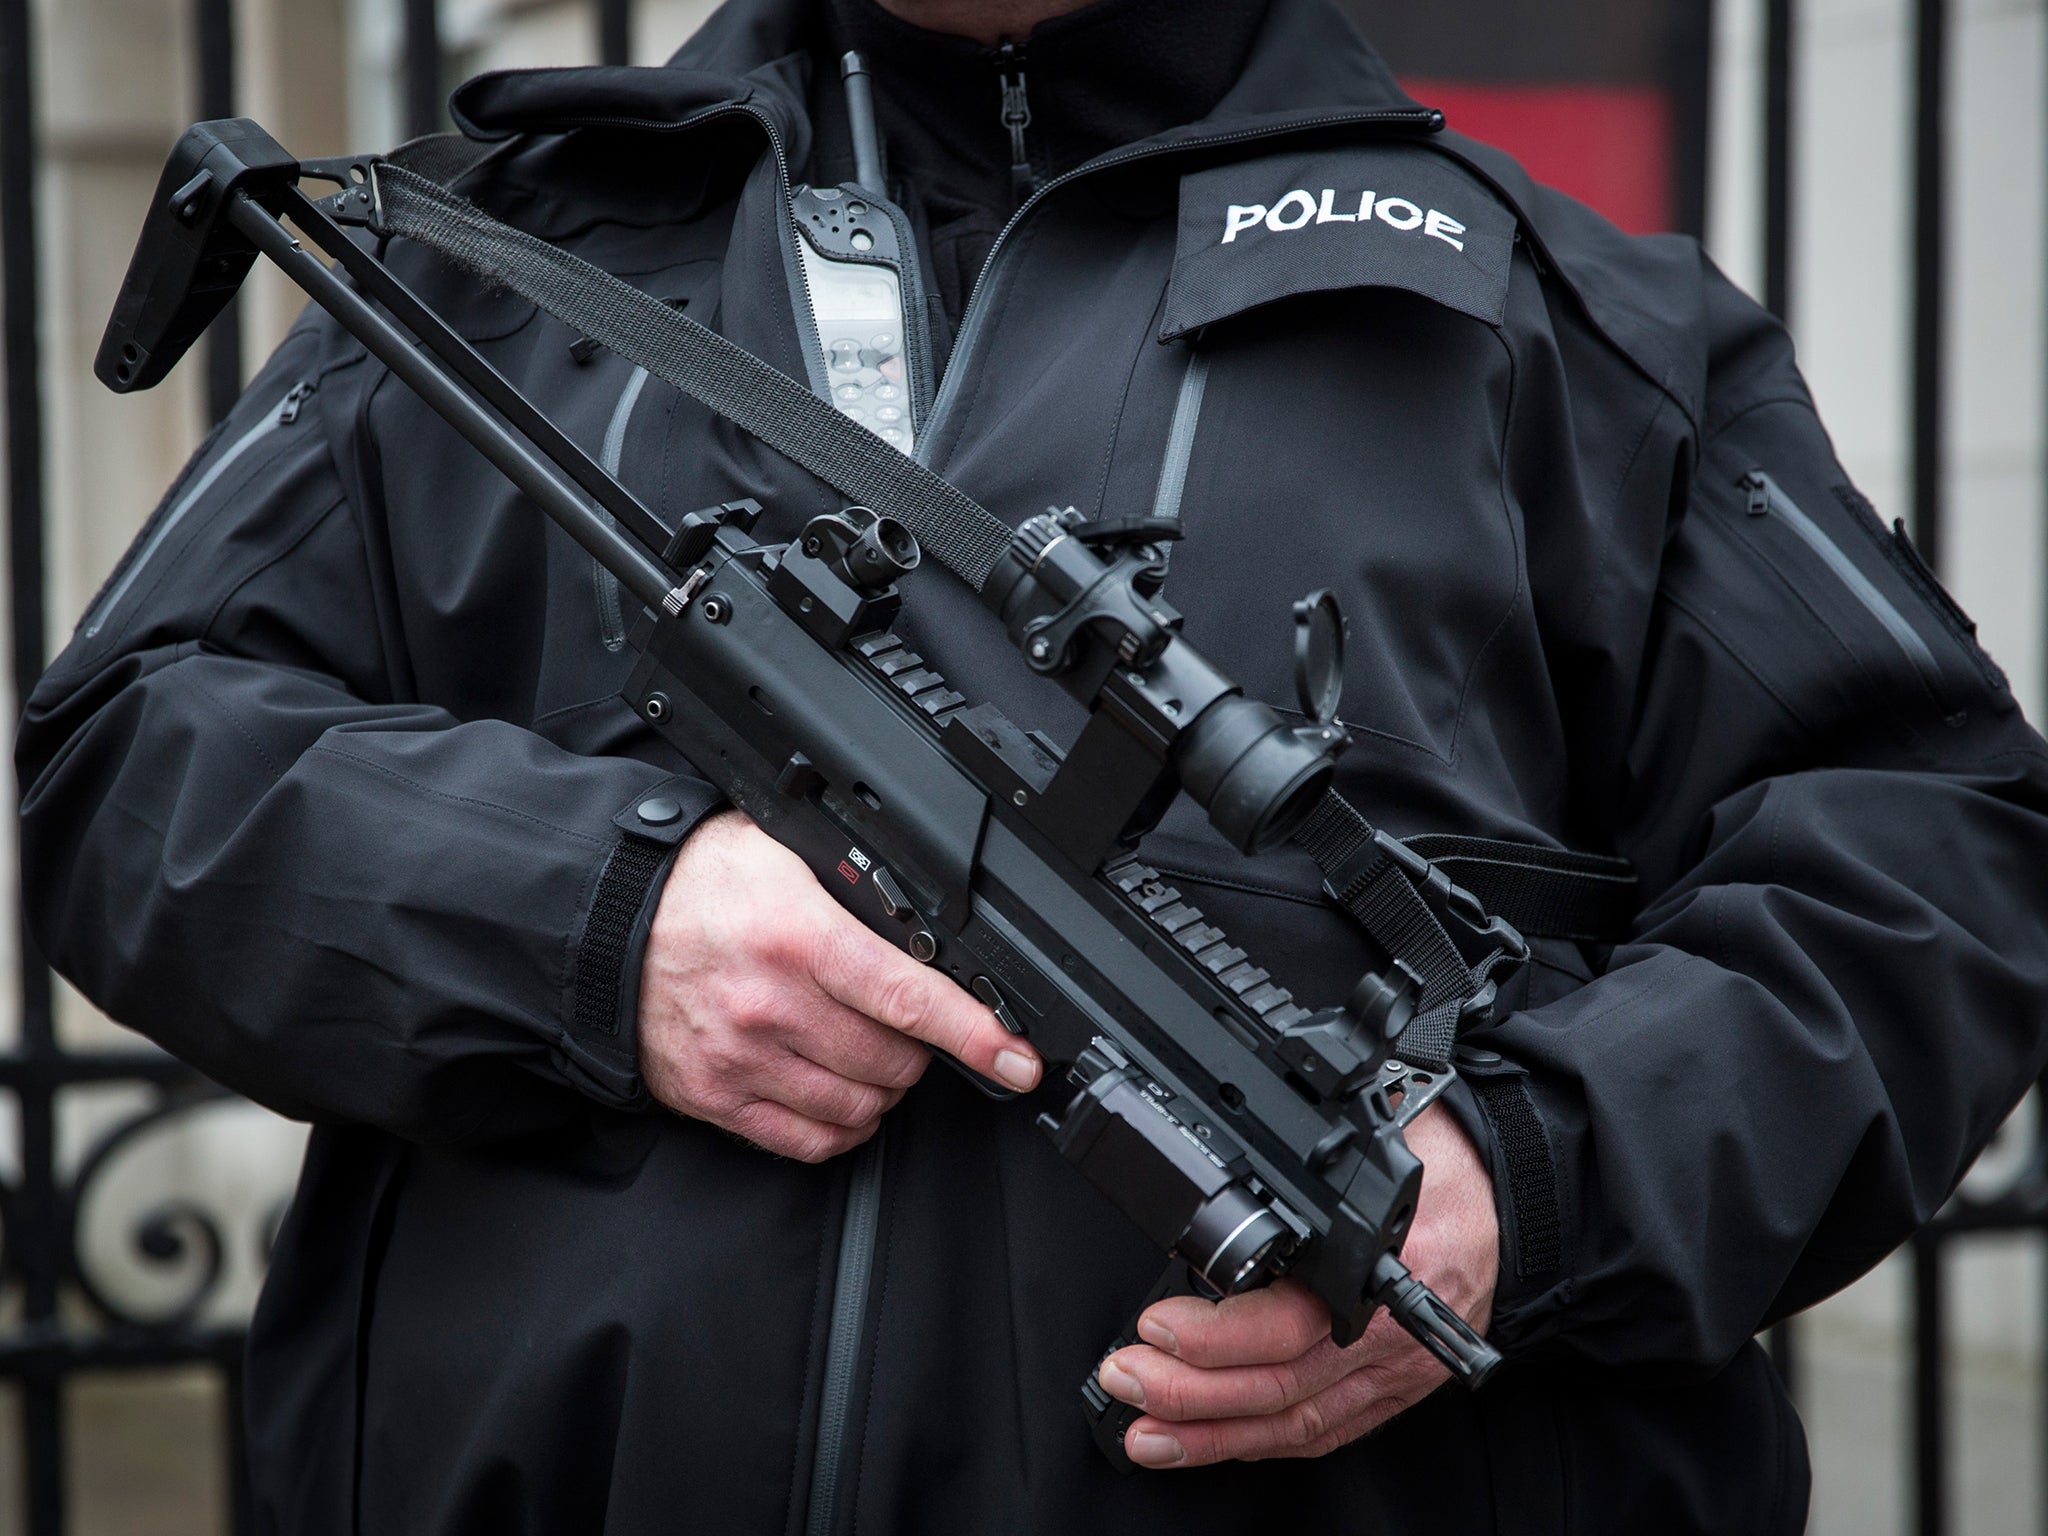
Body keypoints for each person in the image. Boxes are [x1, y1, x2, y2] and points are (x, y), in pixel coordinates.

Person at [20, 0, 2048, 1530]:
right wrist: (598, 911)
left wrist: (1525, 1186)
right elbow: (125, 761)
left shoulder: (1570, 328)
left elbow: (1928, 866)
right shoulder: (492, 262)